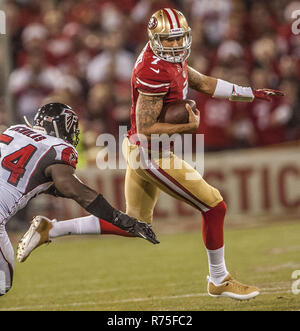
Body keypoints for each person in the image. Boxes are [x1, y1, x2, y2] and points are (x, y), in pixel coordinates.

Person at [17, 8, 284, 300]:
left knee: (135, 224)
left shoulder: (170, 59)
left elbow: (203, 83)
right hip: (149, 153)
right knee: (214, 206)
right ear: (155, 39)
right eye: (169, 40)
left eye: (180, 38)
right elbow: (145, 128)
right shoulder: (152, 69)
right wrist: (187, 127)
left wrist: (249, 92)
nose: (176, 45)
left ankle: (50, 230)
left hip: (142, 149)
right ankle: (219, 278)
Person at [0, 102, 159, 296]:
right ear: (60, 126)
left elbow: (26, 178)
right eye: (70, 126)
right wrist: (118, 218)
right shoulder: (57, 148)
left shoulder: (15, 130)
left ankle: (49, 229)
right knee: (2, 283)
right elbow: (72, 188)